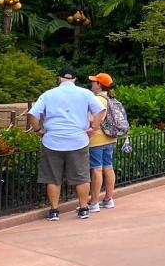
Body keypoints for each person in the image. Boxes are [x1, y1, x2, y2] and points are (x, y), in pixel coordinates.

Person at [28, 67, 106, 221]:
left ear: (59, 79)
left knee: (53, 178)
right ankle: (83, 208)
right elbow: (101, 110)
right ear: (75, 79)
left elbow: (33, 114)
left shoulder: (48, 94)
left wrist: (38, 130)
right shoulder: (85, 93)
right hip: (78, 139)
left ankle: (54, 211)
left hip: (52, 140)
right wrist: (93, 128)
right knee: (82, 177)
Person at [86, 73, 118, 212]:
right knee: (108, 168)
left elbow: (93, 119)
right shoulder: (111, 98)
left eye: (94, 82)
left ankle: (94, 202)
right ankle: (108, 199)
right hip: (110, 138)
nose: (92, 84)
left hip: (97, 138)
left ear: (99, 84)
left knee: (97, 169)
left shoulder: (98, 99)